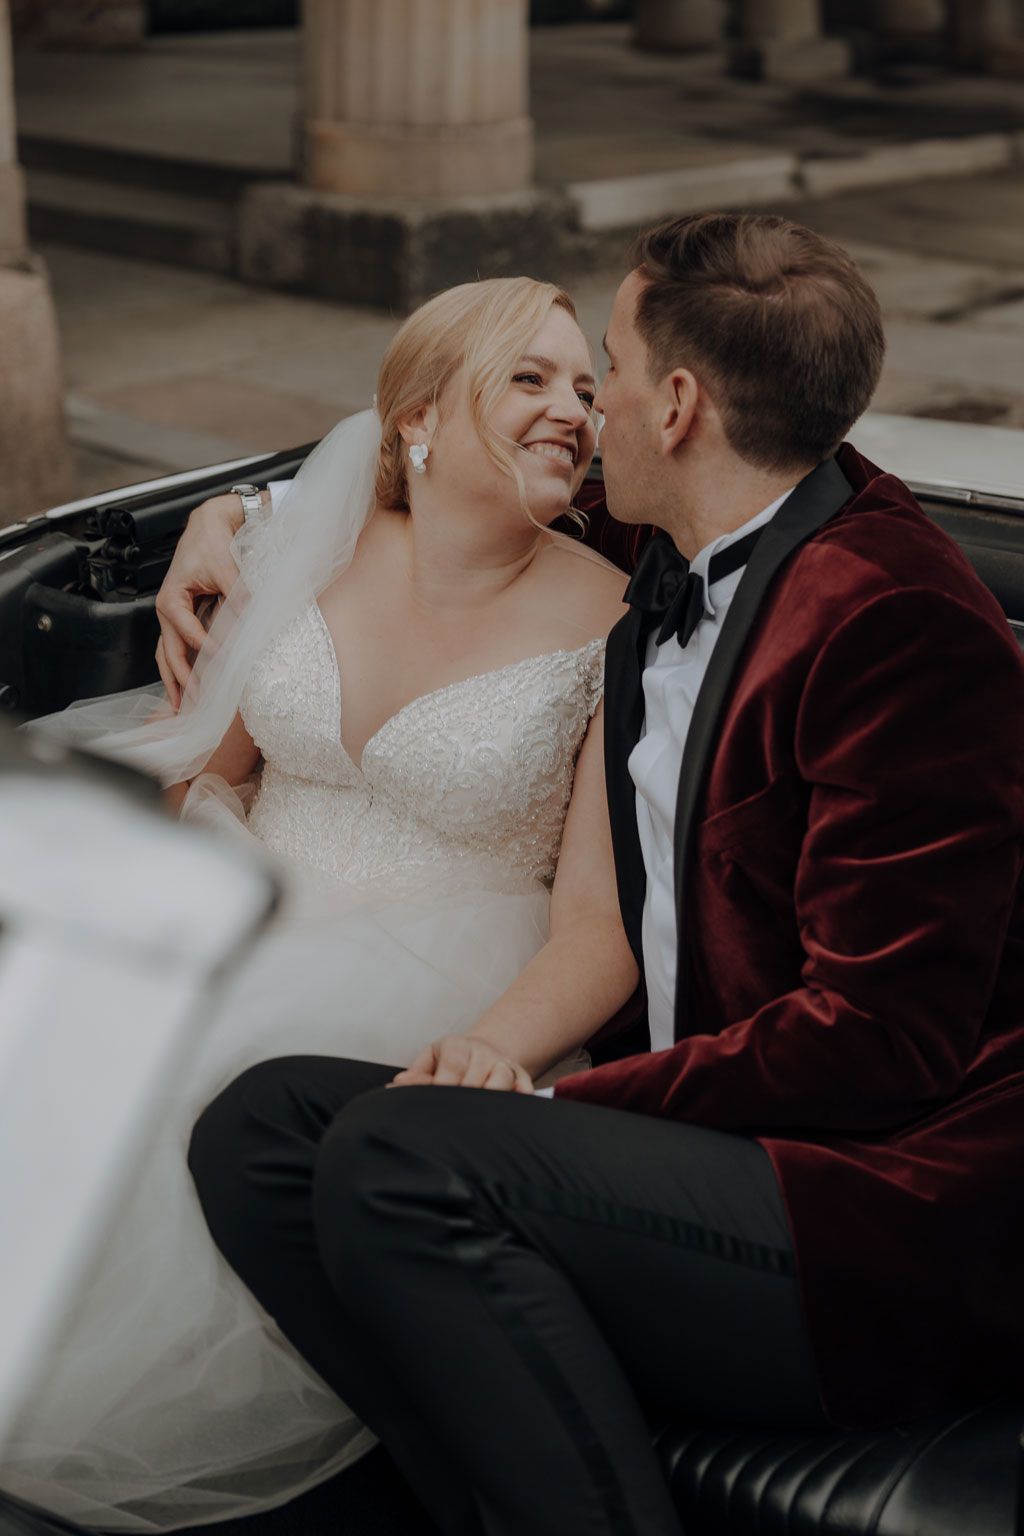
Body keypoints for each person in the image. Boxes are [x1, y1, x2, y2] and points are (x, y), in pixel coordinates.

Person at [187, 211, 1024, 1536]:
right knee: (259, 1133)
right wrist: (239, 515)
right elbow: (447, 475)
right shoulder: (691, 529)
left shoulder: (901, 623)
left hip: (875, 1217)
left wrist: (559, 1097)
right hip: (714, 1154)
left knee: (406, 1159)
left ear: (680, 404)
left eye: (611, 373)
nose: (586, 415)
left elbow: (882, 1041)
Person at [2, 278, 636, 1531]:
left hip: (444, 982)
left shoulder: (616, 621)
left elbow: (600, 927)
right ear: (419, 416)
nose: (572, 407)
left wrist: (496, 1048)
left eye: (585, 385)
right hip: (252, 906)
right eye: (531, 377)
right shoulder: (310, 549)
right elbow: (215, 772)